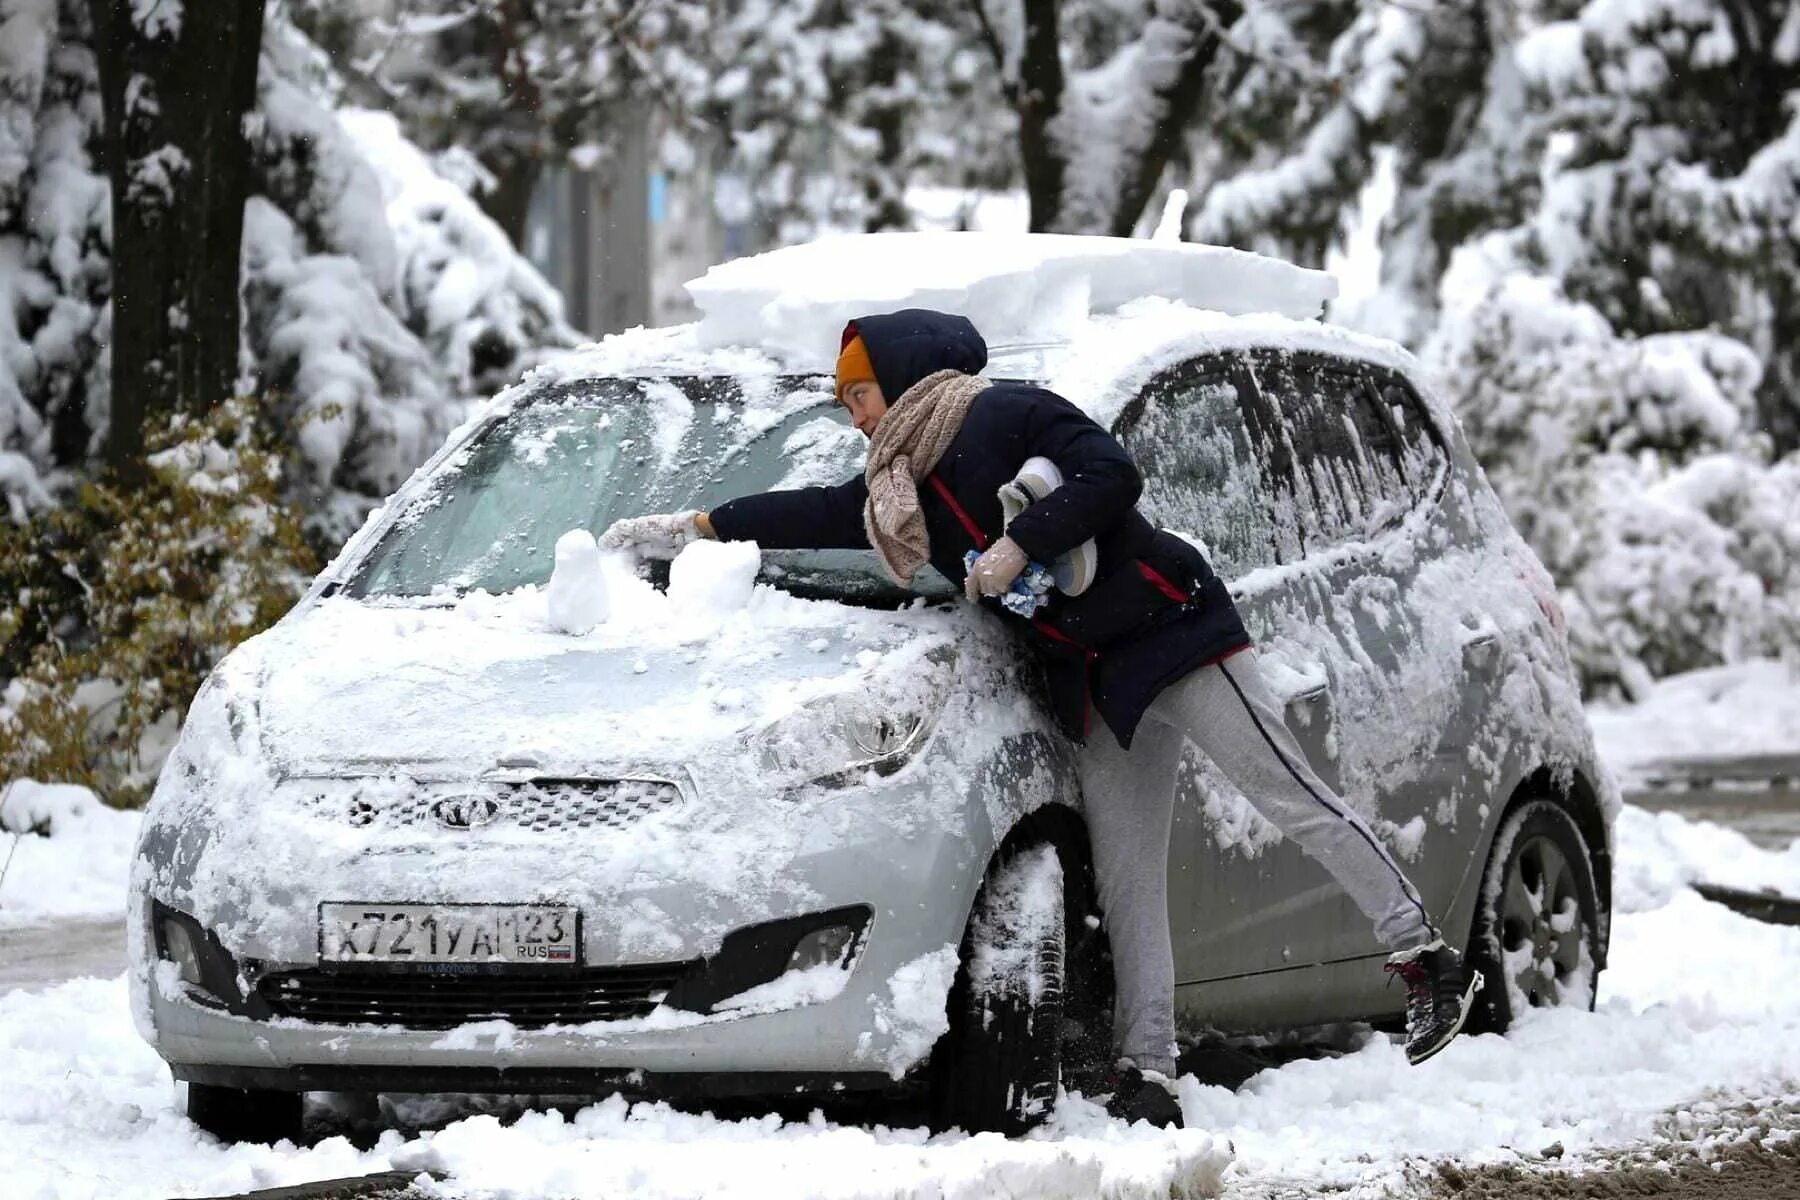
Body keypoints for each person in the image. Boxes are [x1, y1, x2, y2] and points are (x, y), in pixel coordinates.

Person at [601, 309, 1479, 1127]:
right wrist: (701, 525)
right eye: (845, 402)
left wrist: (1024, 542)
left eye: (859, 395)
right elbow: (819, 513)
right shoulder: (895, 488)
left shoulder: (1004, 413)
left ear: (901, 376)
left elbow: (1112, 472)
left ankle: (1425, 957)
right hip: (1093, 680)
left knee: (1289, 796)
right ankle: (1150, 1073)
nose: (855, 416)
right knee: (1130, 879)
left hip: (1175, 634)